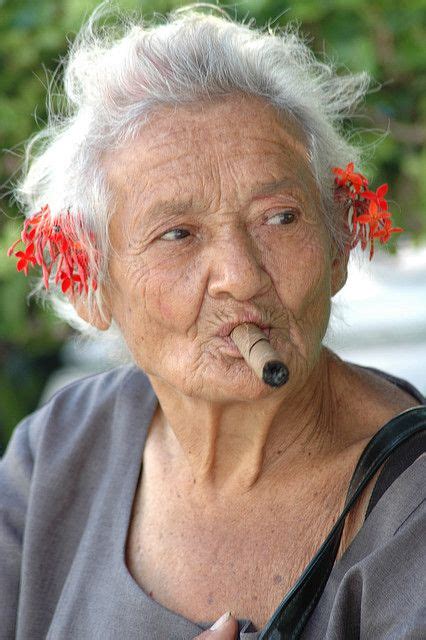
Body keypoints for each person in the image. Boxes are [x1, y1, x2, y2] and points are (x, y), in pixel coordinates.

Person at [1, 3, 425, 639]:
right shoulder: (61, 448)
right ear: (91, 283)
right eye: (178, 233)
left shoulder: (409, 517)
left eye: (280, 216)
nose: (241, 275)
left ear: (338, 242)